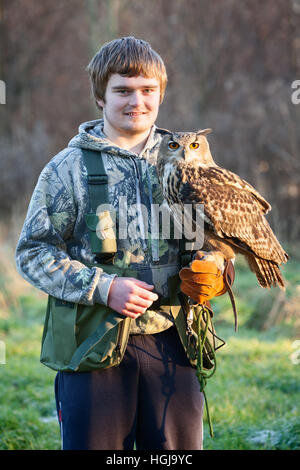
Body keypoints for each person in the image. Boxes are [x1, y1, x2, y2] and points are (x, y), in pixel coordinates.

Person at [15, 36, 234, 450]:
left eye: (148, 90)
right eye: (123, 90)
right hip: (92, 344)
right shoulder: (68, 168)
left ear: (161, 94)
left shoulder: (191, 160)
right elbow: (33, 252)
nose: (137, 101)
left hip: (176, 340)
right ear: (101, 97)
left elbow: (220, 240)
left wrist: (215, 269)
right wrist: (103, 288)